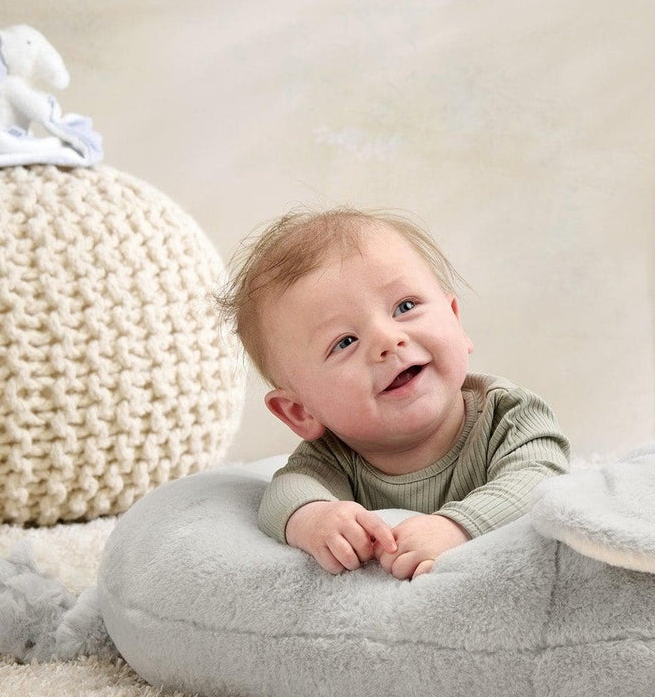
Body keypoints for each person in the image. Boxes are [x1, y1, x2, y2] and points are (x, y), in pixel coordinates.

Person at [213, 206, 571, 580]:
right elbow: (284, 495)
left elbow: (539, 481)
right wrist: (315, 518)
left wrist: (455, 528)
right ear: (300, 411)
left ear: (455, 320)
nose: (387, 339)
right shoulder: (333, 458)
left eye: (405, 307)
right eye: (345, 342)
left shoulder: (508, 414)